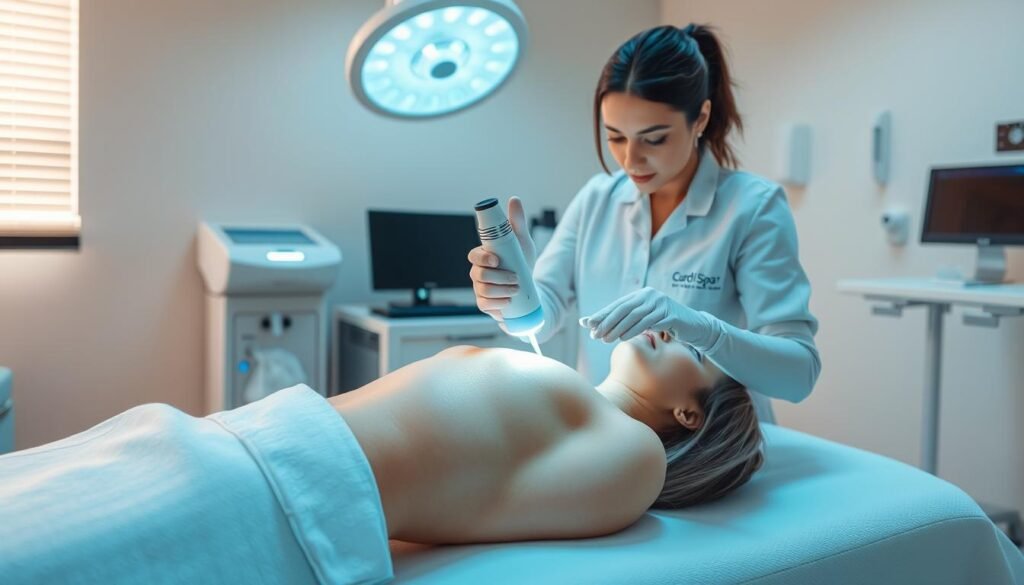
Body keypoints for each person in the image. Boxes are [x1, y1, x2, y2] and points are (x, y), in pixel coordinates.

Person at [0, 335, 762, 584]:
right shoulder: (568, 386)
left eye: (692, 345)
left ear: (689, 412)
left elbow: (478, 502)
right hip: (244, 437)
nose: (666, 326)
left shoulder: (634, 458)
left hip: (283, 498)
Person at [468, 23, 821, 423]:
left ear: (700, 118)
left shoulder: (751, 208)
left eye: (653, 139)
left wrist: (700, 329)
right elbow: (542, 316)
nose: (630, 160)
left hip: (707, 451)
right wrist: (513, 291)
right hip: (610, 435)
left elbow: (799, 374)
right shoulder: (597, 199)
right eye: (615, 137)